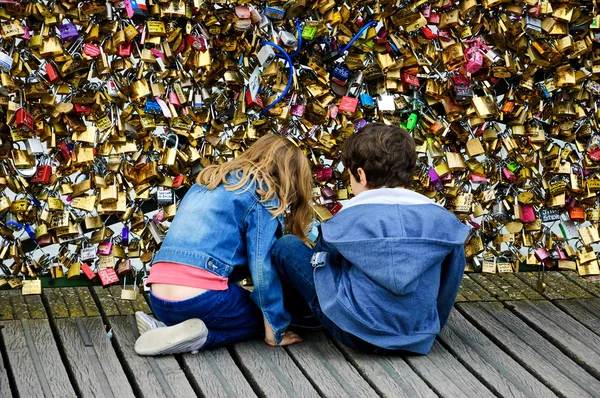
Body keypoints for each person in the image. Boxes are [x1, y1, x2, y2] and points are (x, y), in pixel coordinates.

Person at [271, 123, 471, 354]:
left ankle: (301, 317)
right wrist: (429, 325)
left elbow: (321, 264)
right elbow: (450, 281)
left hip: (355, 331)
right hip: (419, 334)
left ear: (361, 175)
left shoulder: (347, 220)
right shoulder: (444, 222)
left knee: (286, 247)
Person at [134, 134, 313, 356]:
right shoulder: (262, 194)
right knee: (262, 317)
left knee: (231, 303)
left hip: (158, 298)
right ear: (290, 177)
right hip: (201, 301)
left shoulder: (208, 180)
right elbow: (263, 270)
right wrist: (274, 330)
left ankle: (164, 327)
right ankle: (200, 338)